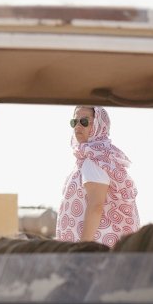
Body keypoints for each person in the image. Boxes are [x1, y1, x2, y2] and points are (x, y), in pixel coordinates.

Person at [56, 106, 140, 248]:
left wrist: (82, 249)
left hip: (93, 252)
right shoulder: (94, 158)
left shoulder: (94, 160)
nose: (77, 126)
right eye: (74, 122)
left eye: (84, 121)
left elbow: (96, 206)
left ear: (99, 125)